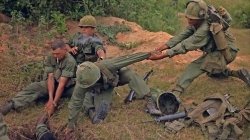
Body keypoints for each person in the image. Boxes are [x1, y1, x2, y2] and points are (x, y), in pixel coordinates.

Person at [148, 0, 250, 97]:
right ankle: (237, 73)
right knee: (211, 72)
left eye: (191, 19)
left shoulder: (204, 29)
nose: (188, 20)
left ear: (201, 17)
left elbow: (187, 44)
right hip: (218, 51)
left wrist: (163, 55)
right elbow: (181, 36)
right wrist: (163, 47)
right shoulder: (196, 23)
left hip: (227, 52)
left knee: (195, 67)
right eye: (187, 17)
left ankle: (176, 92)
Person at [64, 52, 154, 134]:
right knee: (97, 111)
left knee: (130, 73)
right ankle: (91, 111)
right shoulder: (81, 83)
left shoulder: (107, 65)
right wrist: (70, 126)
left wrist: (148, 54)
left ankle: (148, 98)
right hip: (102, 90)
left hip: (115, 79)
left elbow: (129, 58)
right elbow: (75, 102)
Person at [0, 39, 77, 117]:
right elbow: (50, 77)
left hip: (67, 88)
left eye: (57, 54)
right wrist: (50, 98)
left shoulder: (70, 61)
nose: (55, 56)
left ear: (65, 49)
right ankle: (9, 105)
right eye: (54, 53)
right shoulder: (51, 56)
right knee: (33, 87)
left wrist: (54, 104)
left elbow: (62, 85)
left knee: (80, 93)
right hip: (53, 84)